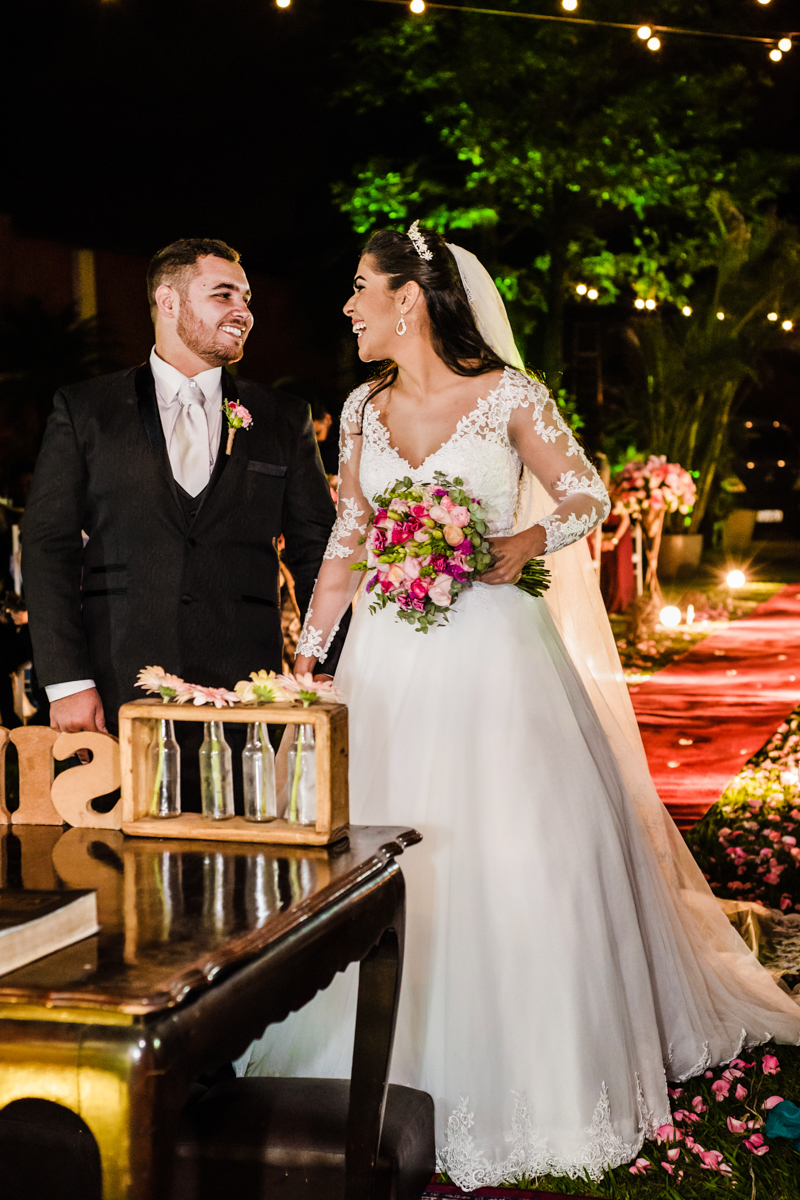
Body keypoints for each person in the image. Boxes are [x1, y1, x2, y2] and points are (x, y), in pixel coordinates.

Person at [247, 224, 800, 1187]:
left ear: (408, 301)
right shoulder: (361, 409)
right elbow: (346, 538)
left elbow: (584, 495)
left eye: (359, 290)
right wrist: (308, 659)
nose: (348, 307)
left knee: (518, 850)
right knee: (381, 857)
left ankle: (539, 1076)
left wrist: (524, 540)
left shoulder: (509, 396)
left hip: (495, 656)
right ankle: (373, 1069)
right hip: (386, 664)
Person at [22, 239, 341, 802]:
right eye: (223, 294)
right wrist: (68, 680)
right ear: (167, 302)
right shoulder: (85, 409)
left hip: (249, 688)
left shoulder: (280, 417)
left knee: (245, 861)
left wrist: (323, 665)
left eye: (245, 297)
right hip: (117, 681)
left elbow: (316, 549)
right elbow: (49, 548)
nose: (242, 311)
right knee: (115, 865)